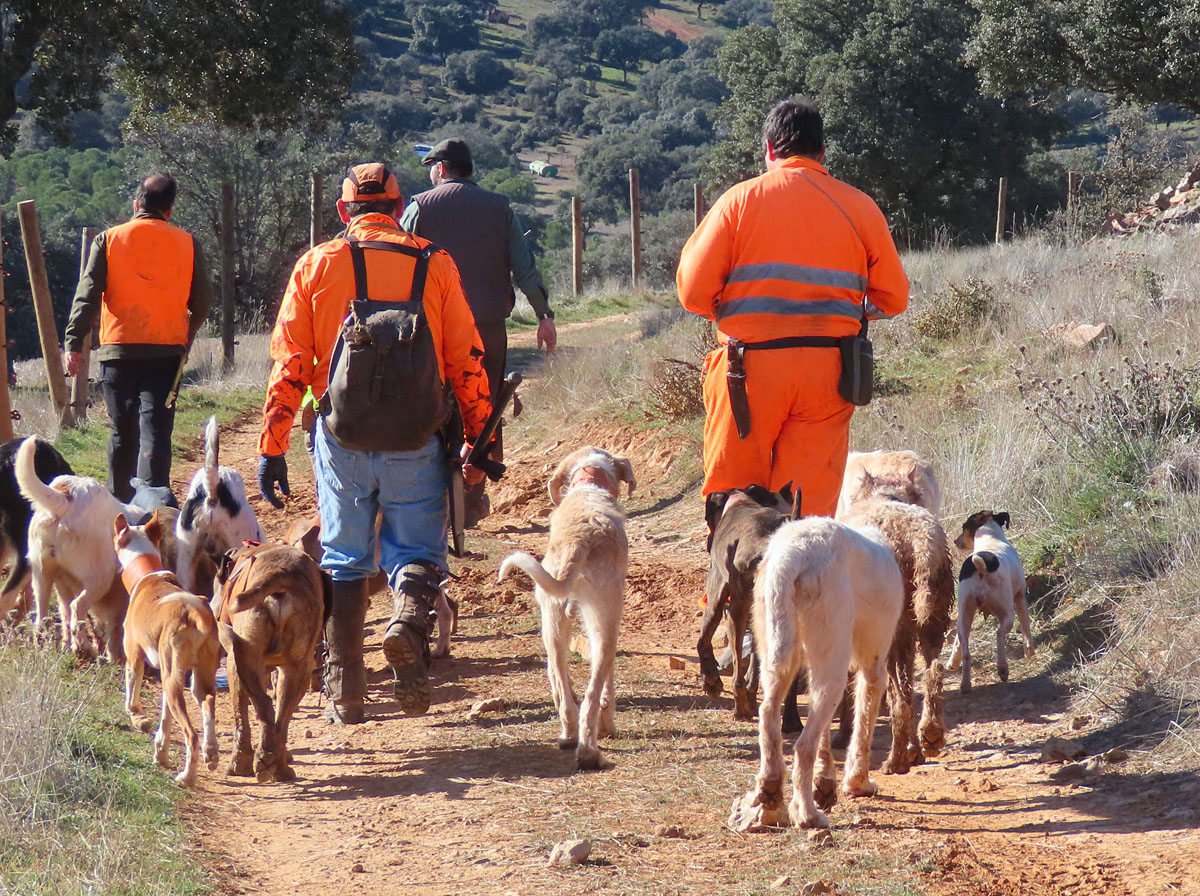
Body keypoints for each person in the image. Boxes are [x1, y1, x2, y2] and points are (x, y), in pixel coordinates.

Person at [257, 163, 492, 724]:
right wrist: (480, 441)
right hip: (418, 435)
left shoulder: (317, 264)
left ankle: (347, 688)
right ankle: (407, 626)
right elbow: (466, 359)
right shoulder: (434, 263)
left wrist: (272, 443)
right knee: (416, 550)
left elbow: (290, 362)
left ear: (344, 212)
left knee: (344, 556)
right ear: (398, 206)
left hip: (338, 435)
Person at [676, 98, 909, 519]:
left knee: (736, 504)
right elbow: (894, 297)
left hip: (746, 375)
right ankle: (802, 584)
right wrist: (843, 314)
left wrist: (735, 313)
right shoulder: (861, 208)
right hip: (830, 371)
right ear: (822, 153)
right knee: (807, 512)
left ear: (769, 150)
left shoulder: (739, 200)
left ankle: (734, 585)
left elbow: (692, 292)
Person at [400, 137, 556, 527]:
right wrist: (544, 314)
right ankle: (473, 493)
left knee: (429, 404)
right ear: (468, 170)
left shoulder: (419, 206)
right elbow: (524, 268)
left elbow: (396, 257)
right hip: (486, 328)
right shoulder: (499, 207)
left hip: (431, 329)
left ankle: (431, 494)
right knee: (484, 408)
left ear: (440, 169)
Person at [65, 173, 212, 502]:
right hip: (167, 352)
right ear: (170, 210)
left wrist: (74, 342)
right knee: (156, 432)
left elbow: (87, 295)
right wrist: (185, 340)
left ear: (137, 205)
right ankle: (153, 511)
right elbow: (202, 301)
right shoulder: (187, 242)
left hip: (119, 351)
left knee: (122, 432)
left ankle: (117, 507)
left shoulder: (109, 239)